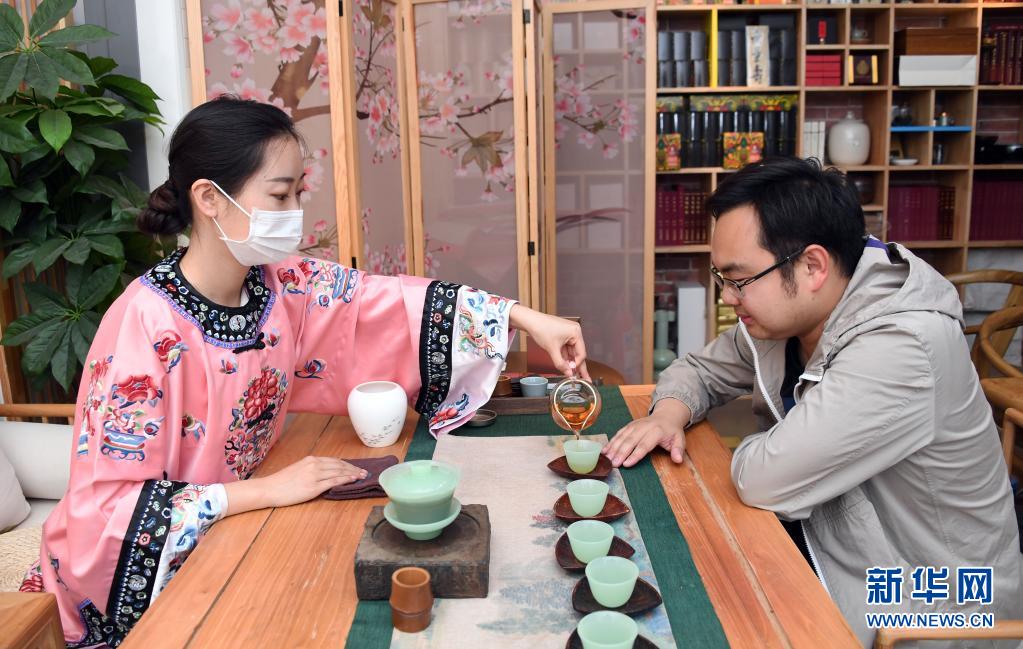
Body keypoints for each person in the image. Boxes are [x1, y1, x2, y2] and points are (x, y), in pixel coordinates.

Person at [21, 96, 589, 648]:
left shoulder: (278, 283)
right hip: (144, 576)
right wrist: (266, 490)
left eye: (298, 191)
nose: (295, 210)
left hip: (247, 522)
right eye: (279, 193)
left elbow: (384, 304)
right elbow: (111, 509)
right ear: (209, 198)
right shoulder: (142, 324)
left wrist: (522, 317)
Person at [604, 157, 1023, 647]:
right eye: (721, 278)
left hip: (931, 609)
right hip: (836, 548)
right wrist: (668, 414)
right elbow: (699, 369)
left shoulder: (903, 347)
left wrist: (759, 448)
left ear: (812, 266)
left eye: (739, 279)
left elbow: (765, 478)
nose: (727, 298)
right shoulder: (793, 315)